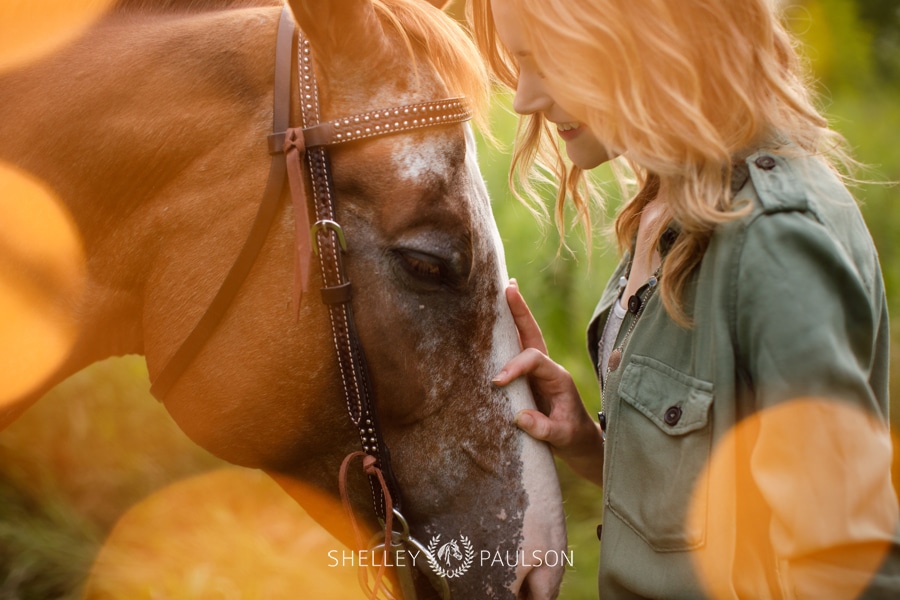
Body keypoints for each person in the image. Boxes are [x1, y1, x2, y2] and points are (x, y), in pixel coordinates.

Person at [470, 0, 900, 597]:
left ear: (649, 35)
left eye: (548, 60)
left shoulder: (774, 241)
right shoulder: (673, 199)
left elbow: (845, 567)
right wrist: (590, 445)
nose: (524, 97)